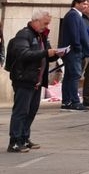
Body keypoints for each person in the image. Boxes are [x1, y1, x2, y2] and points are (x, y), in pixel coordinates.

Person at [6, 9, 62, 152]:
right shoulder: (24, 34)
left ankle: (24, 138)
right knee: (21, 111)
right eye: (45, 23)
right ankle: (14, 142)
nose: (47, 26)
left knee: (31, 111)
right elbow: (23, 54)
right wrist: (45, 52)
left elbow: (46, 55)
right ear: (36, 21)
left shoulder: (41, 35)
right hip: (24, 79)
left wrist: (56, 54)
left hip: (36, 80)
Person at [58, 0, 89, 111]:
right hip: (73, 52)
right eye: (83, 4)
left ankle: (67, 101)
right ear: (76, 4)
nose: (85, 6)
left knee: (70, 76)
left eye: (86, 4)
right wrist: (78, 48)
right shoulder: (73, 15)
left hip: (74, 51)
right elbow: (75, 35)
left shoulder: (77, 15)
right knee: (74, 76)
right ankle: (74, 101)